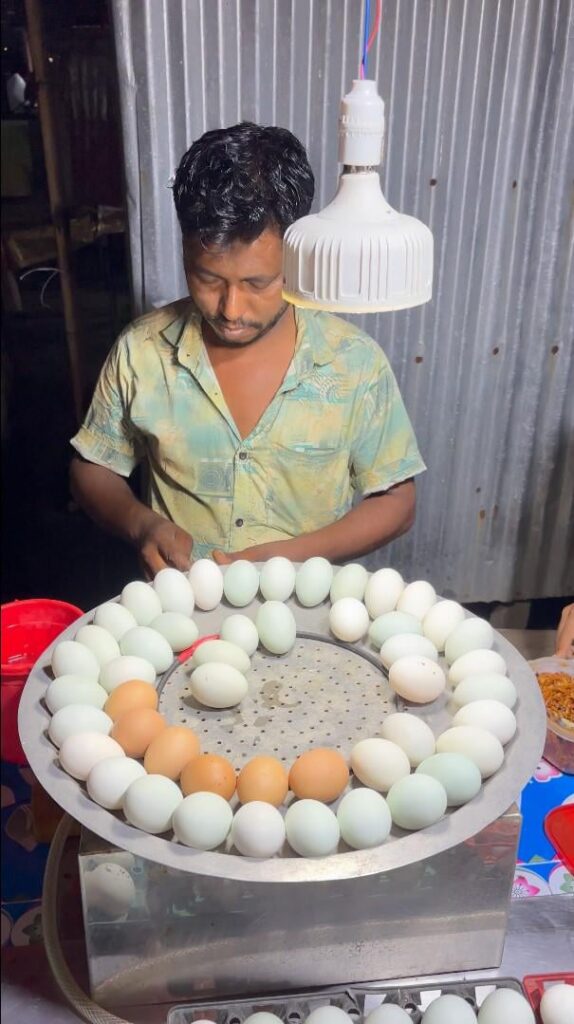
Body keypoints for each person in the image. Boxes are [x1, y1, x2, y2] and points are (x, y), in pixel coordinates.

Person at [70, 122, 426, 577]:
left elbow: (397, 500)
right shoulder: (142, 352)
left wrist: (289, 558)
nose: (231, 309)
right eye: (208, 279)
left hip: (307, 617)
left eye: (258, 283)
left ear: (297, 258)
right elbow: (91, 469)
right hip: (184, 620)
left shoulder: (353, 363)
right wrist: (141, 524)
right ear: (184, 252)